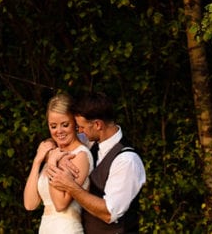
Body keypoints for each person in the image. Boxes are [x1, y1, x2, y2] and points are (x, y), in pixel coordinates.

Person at [45, 92, 146, 234]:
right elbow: (62, 137)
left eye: (81, 127)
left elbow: (109, 213)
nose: (79, 131)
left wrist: (71, 187)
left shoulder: (127, 160)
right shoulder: (91, 141)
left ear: (98, 124)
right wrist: (50, 149)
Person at [23, 92, 95, 233]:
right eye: (53, 126)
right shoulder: (54, 153)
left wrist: (51, 163)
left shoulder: (80, 155)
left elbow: (60, 204)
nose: (59, 131)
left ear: (75, 122)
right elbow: (30, 204)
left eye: (65, 124)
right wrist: (37, 161)